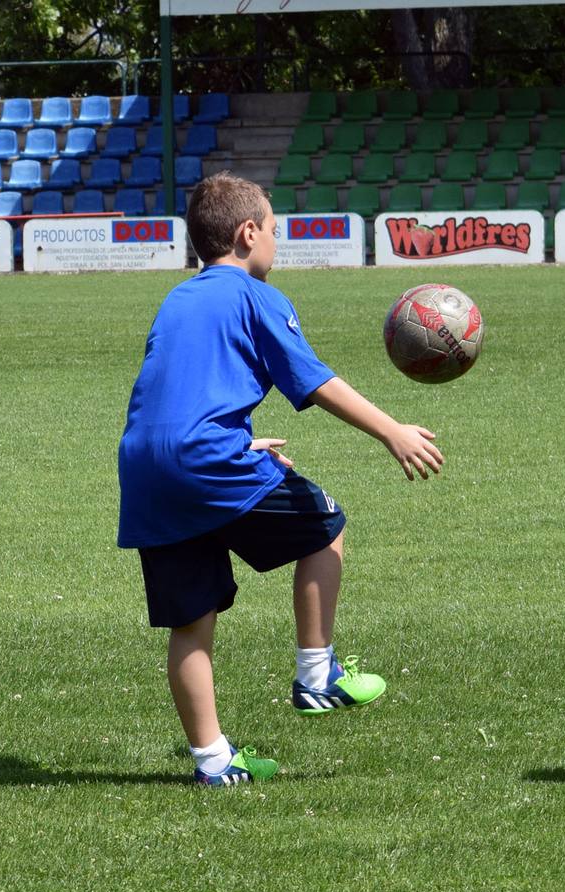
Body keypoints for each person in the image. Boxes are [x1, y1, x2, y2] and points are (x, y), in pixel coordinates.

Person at [116, 172, 444, 786]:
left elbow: (174, 392)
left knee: (191, 622)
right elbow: (314, 382)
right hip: (207, 462)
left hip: (146, 469)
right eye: (273, 227)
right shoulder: (257, 295)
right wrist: (392, 430)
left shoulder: (178, 298)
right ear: (247, 233)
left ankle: (213, 763)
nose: (277, 238)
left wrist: (239, 441)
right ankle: (317, 674)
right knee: (326, 527)